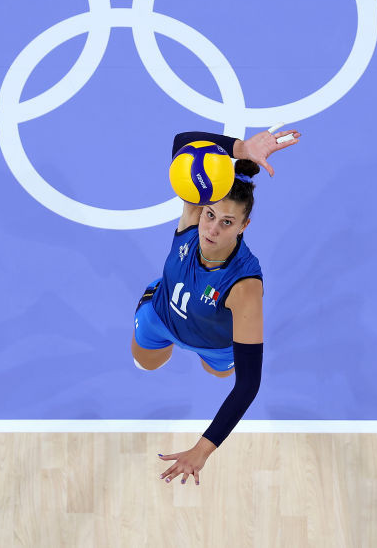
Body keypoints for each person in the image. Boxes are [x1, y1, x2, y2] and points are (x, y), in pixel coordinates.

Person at [132, 128, 300, 485]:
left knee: (219, 373)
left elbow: (248, 384)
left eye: (227, 223)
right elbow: (182, 142)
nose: (212, 229)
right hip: (162, 315)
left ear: (243, 226)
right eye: (210, 216)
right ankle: (167, 343)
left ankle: (205, 358)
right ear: (202, 207)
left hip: (216, 344)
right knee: (145, 364)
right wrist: (241, 148)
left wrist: (203, 448)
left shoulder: (245, 288)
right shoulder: (195, 212)